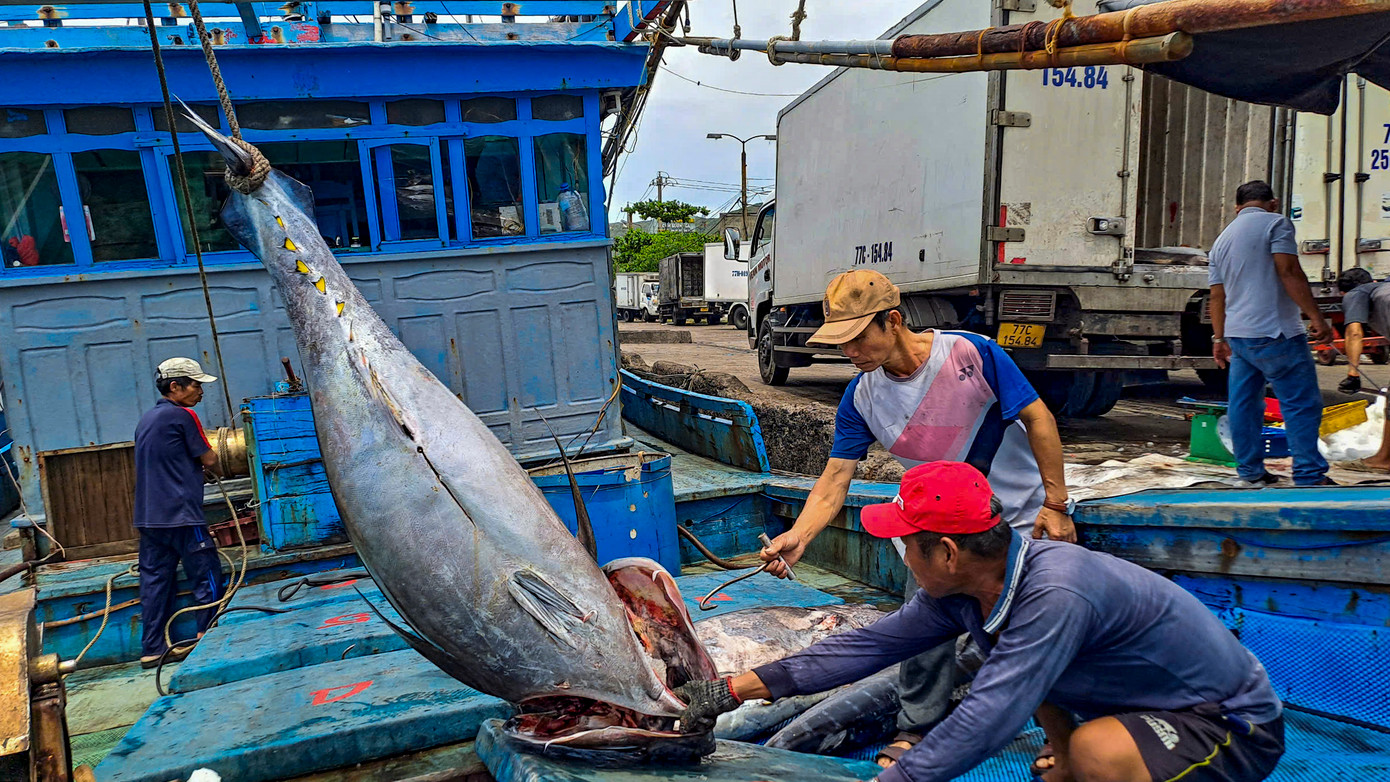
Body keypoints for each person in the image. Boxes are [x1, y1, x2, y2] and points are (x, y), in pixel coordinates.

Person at [677, 462, 1285, 782]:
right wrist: (728, 692)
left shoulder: (1055, 593)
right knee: (1068, 744)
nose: (903, 558)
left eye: (907, 546)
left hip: (1230, 723)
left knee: (1097, 753)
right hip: (1136, 702)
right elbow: (863, 649)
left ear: (945, 552)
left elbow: (991, 714)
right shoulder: (968, 588)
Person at [757, 269, 1076, 771]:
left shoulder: (973, 354)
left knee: (1035, 626)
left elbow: (1038, 417)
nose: (850, 353)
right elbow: (835, 479)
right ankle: (917, 725)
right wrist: (798, 536)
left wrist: (1054, 505)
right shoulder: (860, 397)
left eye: (859, 337)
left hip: (1012, 518)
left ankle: (1060, 733)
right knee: (922, 630)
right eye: (841, 343)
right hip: (935, 524)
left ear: (894, 320)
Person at [1209, 180, 1334, 487]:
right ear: (1273, 203)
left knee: (1244, 404)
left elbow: (1216, 296)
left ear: (1238, 207)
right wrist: (1316, 317)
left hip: (1239, 336)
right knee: (1301, 403)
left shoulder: (1221, 240)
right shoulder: (1276, 224)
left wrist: (1218, 338)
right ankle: (1308, 474)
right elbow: (1288, 271)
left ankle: (1250, 472)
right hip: (1274, 331)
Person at [133, 357, 226, 668]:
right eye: (195, 384)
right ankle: (207, 636)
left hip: (149, 517)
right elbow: (210, 459)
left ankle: (152, 649)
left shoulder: (146, 419)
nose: (201, 391)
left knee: (155, 582)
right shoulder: (183, 416)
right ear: (175, 387)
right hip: (182, 515)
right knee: (207, 573)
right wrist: (215, 463)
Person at [1334, 266, 1385, 395]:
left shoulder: (1355, 294)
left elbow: (1354, 333)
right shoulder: (1384, 287)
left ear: (1344, 293)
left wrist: (1353, 375)